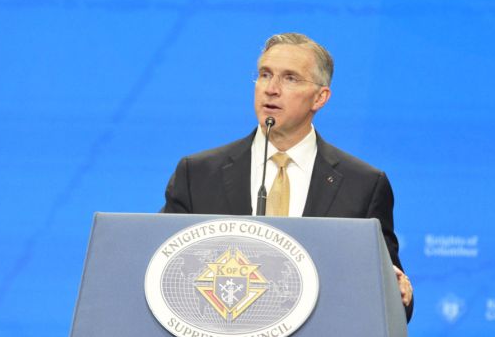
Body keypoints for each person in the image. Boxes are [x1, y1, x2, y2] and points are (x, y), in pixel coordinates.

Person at [162, 32, 413, 321]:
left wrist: (399, 293)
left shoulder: (364, 185)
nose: (271, 88)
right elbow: (169, 269)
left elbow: (390, 293)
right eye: (265, 74)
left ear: (320, 97)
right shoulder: (198, 174)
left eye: (290, 78)